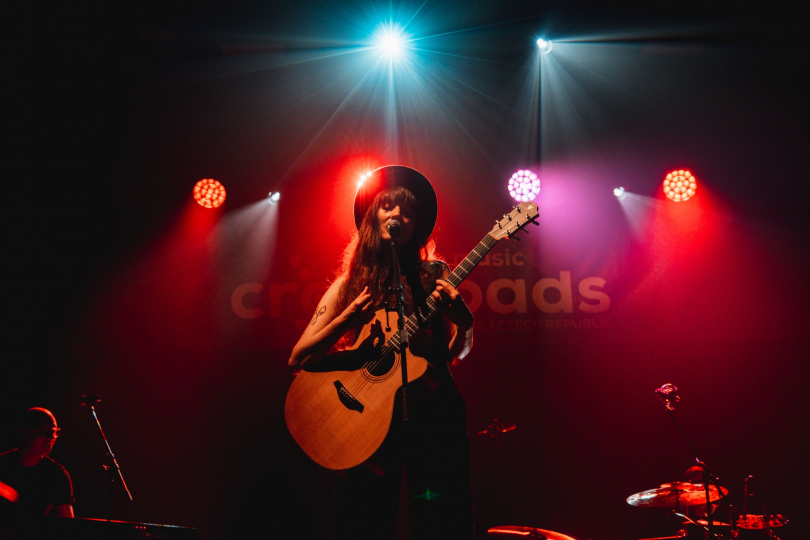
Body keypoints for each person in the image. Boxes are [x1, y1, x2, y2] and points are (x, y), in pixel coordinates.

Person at [288, 166, 475, 539]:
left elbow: (455, 352)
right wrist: (345, 320)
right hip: (367, 420)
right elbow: (299, 358)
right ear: (372, 216)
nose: (397, 215)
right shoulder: (350, 283)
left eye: (407, 211)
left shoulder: (434, 274)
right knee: (365, 521)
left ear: (416, 224)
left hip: (435, 415)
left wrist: (465, 324)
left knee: (444, 520)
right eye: (387, 205)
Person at [0, 408, 75, 520]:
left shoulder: (57, 475)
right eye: (45, 431)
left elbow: (68, 525)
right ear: (25, 433)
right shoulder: (3, 464)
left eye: (54, 432)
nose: (51, 437)